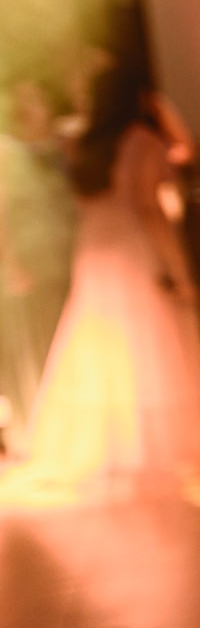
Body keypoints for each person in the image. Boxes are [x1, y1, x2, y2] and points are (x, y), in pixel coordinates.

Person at [3, 63, 200, 491]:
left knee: (98, 344)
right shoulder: (143, 143)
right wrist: (181, 272)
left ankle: (101, 445)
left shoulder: (83, 146)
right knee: (147, 346)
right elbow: (149, 209)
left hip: (93, 251)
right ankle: (148, 445)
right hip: (132, 250)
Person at [0, 77, 76, 450]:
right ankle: (37, 432)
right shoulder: (6, 153)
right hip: (29, 260)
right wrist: (10, 261)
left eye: (35, 97)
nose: (28, 107)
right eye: (21, 99)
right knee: (37, 344)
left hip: (70, 253)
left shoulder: (65, 146)